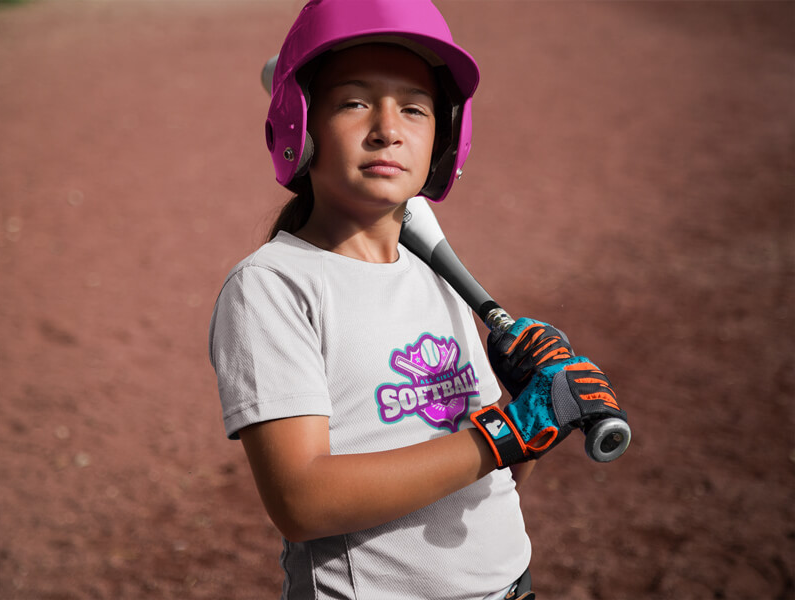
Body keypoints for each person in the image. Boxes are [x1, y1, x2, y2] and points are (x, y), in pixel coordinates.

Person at [208, 1, 626, 598]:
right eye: (354, 102)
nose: (388, 129)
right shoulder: (273, 287)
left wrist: (531, 404)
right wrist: (503, 434)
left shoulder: (438, 276)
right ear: (301, 125)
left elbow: (493, 476)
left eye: (414, 107)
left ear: (444, 137)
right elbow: (301, 500)